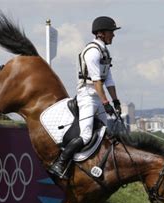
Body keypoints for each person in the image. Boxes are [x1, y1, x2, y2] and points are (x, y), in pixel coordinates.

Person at [49, 16, 121, 178]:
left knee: (104, 132)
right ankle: (60, 163)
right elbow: (96, 81)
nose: (113, 35)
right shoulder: (92, 52)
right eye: (111, 32)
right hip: (87, 96)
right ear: (101, 33)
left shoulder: (104, 51)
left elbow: (108, 79)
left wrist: (115, 101)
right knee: (87, 135)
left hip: (98, 96)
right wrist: (105, 102)